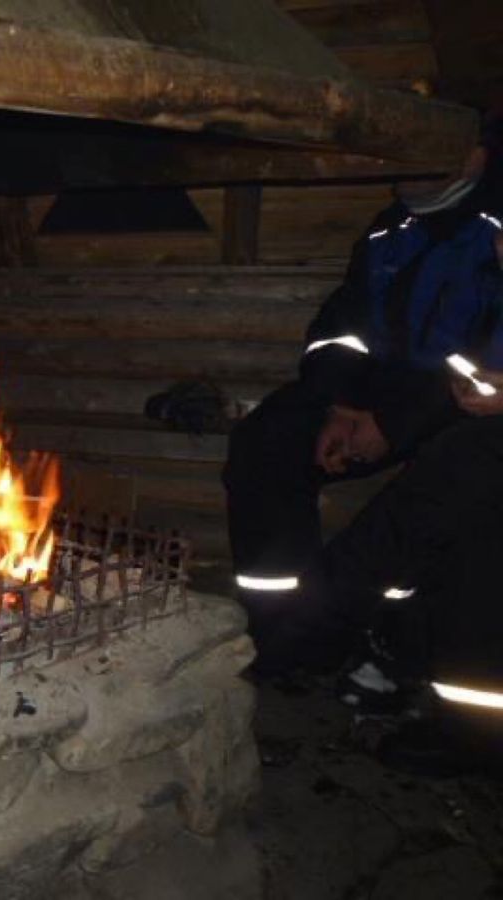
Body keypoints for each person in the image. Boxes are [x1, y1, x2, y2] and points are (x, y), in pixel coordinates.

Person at [223, 112, 503, 687]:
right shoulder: (387, 231)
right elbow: (340, 327)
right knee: (267, 440)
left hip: (455, 407)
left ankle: (349, 637)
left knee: (443, 487)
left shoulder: (494, 229)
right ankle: (278, 630)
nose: (406, 165)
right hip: (376, 396)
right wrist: (341, 404)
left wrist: (393, 426)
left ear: (477, 155)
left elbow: (488, 367)